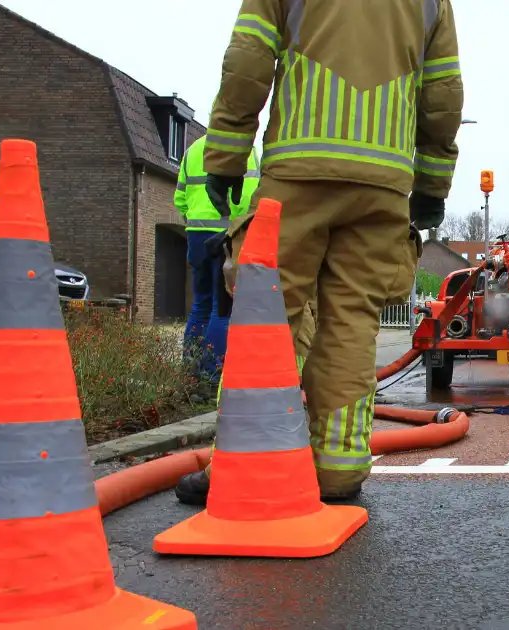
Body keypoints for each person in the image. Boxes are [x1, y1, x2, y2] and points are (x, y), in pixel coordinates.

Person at [175, 0, 463, 504]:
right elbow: (442, 93)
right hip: (383, 182)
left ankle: (245, 464)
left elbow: (248, 59)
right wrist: (433, 184)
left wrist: (225, 154)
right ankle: (338, 469)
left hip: (299, 168)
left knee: (269, 316)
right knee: (353, 321)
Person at [173, 134, 259, 386]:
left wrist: (196, 222)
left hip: (197, 236)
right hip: (229, 236)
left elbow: (179, 199)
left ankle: (191, 372)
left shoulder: (192, 150)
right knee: (222, 309)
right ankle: (213, 376)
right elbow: (252, 197)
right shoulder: (245, 149)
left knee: (200, 305)